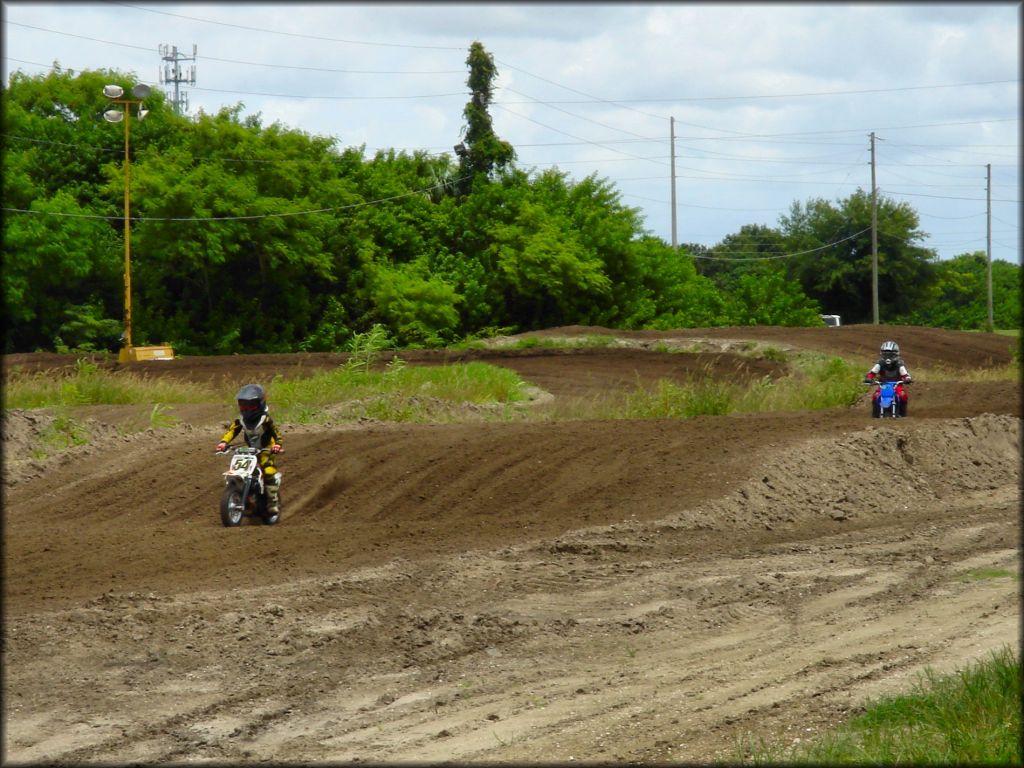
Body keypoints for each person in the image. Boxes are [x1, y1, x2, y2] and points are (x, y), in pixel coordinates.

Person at [216, 383, 284, 513]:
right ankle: (243, 493)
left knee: (268, 469)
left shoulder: (266, 420)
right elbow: (232, 431)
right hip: (251, 449)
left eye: (251, 405)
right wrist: (223, 442)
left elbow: (277, 434)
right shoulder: (240, 420)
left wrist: (277, 445)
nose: (247, 409)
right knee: (239, 469)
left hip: (266, 448)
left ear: (260, 404)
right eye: (243, 405)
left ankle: (272, 502)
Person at [865, 340, 912, 417]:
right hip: (883, 385)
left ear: (896, 354)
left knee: (903, 395)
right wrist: (868, 378)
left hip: (897, 385)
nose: (888, 357)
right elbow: (872, 373)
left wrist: (907, 379)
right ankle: (875, 414)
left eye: (890, 354)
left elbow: (905, 374)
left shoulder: (899, 364)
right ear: (882, 354)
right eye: (885, 354)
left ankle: (903, 414)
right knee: (876, 396)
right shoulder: (880, 363)